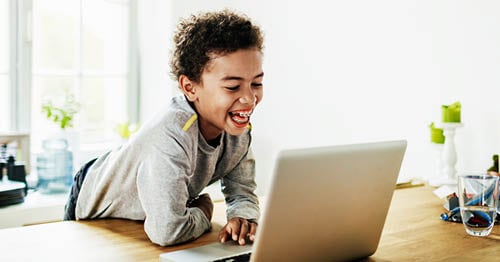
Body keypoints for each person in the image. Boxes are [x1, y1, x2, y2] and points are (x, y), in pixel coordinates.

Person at [63, 9, 265, 247]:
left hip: (143, 215)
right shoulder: (171, 135)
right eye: (232, 87)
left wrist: (243, 218)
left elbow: (242, 192)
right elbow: (168, 231)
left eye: (256, 83)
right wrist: (203, 210)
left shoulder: (236, 129)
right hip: (93, 201)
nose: (249, 99)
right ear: (190, 88)